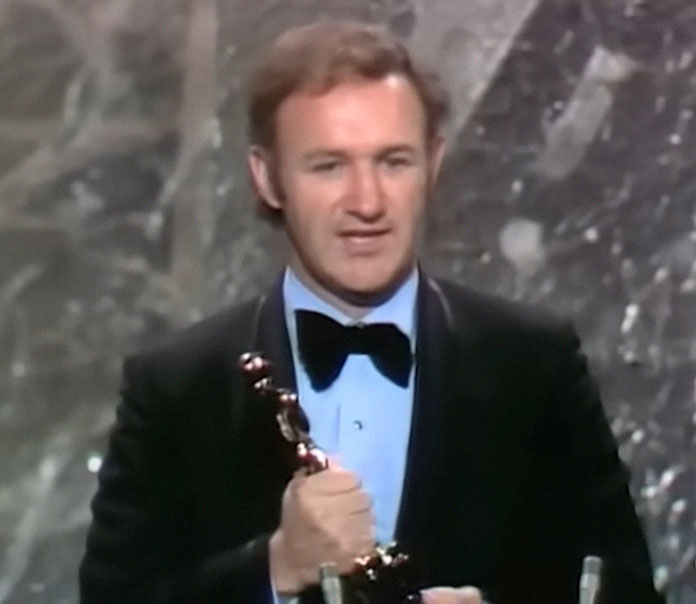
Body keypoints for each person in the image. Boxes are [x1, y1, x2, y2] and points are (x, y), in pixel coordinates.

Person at [79, 20, 663, 604]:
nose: (367, 202)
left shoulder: (534, 365)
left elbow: (625, 591)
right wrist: (276, 569)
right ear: (268, 178)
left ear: (432, 166)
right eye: (329, 166)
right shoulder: (178, 388)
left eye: (393, 162)